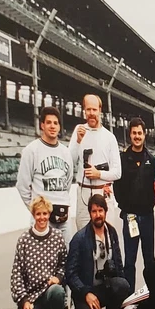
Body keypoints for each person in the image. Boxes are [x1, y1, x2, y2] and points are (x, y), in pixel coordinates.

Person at [66, 193, 130, 309]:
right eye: (94, 211)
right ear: (90, 213)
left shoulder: (111, 232)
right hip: (86, 291)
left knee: (123, 285)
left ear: (105, 212)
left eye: (100, 211)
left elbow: (118, 263)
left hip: (105, 287)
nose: (98, 215)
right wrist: (85, 293)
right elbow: (70, 274)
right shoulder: (80, 238)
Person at [10, 196, 67, 309]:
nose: (42, 218)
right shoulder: (24, 240)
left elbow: (63, 264)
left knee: (58, 291)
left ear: (49, 214)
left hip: (49, 291)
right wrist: (23, 300)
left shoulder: (57, 237)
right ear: (34, 215)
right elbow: (16, 275)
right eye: (38, 214)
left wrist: (58, 277)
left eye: (44, 214)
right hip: (31, 297)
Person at [16, 106, 74, 245]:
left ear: (59, 126)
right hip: (43, 217)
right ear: (42, 125)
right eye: (48, 122)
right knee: (42, 261)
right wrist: (36, 208)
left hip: (63, 215)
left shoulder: (65, 152)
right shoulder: (31, 150)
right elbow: (22, 185)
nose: (52, 126)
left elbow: (68, 181)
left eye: (56, 123)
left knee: (67, 258)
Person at [113, 117, 155, 294]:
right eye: (134, 133)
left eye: (140, 133)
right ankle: (128, 299)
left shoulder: (152, 161)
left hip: (147, 216)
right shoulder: (122, 159)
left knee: (149, 259)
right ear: (130, 134)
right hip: (129, 216)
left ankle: (153, 294)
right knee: (129, 261)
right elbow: (117, 187)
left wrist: (149, 205)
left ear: (144, 135)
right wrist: (126, 207)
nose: (137, 136)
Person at [69, 94, 122, 231]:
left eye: (94, 110)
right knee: (82, 235)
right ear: (84, 111)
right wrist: (78, 141)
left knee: (106, 236)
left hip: (102, 192)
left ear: (100, 111)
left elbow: (117, 172)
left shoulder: (109, 137)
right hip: (83, 193)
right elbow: (70, 162)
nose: (91, 114)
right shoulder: (78, 131)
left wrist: (98, 174)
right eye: (88, 110)